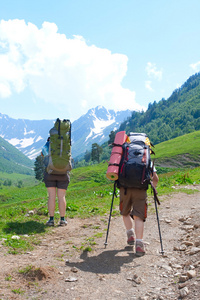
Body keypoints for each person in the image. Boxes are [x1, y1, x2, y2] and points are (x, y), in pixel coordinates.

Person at [119, 167, 159, 257]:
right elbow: (155, 178)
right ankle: (139, 245)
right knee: (139, 216)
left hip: (124, 189)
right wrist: (153, 187)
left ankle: (130, 235)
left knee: (125, 213)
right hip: (141, 189)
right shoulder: (145, 154)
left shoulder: (122, 154)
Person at [41, 137, 70, 227]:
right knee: (61, 197)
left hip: (50, 172)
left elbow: (43, 154)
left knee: (51, 196)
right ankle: (62, 220)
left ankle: (51, 220)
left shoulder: (49, 142)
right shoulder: (65, 143)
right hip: (63, 173)